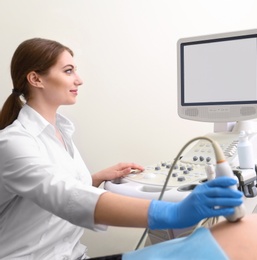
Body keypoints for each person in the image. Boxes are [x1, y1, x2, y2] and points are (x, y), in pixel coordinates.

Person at [0, 38, 243, 259]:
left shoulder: (60, 131)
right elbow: (62, 195)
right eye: (68, 71)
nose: (79, 79)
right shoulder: (14, 142)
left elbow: (51, 189)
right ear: (36, 79)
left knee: (188, 250)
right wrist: (173, 213)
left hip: (70, 255)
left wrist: (94, 179)